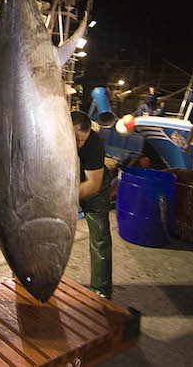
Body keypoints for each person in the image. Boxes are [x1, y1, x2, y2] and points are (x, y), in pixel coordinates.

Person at [71, 110, 112, 299]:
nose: (80, 145)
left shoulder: (94, 143)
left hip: (92, 187)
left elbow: (93, 185)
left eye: (83, 141)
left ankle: (101, 292)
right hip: (66, 183)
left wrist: (63, 201)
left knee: (100, 237)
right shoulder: (49, 136)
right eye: (77, 139)